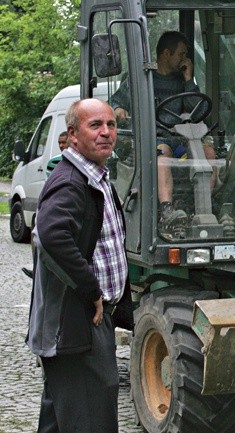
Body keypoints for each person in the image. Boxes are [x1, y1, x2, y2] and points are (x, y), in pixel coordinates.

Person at [26, 98, 133, 433]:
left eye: (111, 125)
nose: (106, 133)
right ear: (72, 135)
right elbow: (51, 235)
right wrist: (92, 291)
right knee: (92, 419)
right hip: (79, 321)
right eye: (95, 126)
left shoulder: (93, 175)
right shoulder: (72, 181)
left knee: (61, 418)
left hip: (84, 320)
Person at [110, 31, 215, 232]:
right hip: (153, 139)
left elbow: (199, 111)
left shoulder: (181, 80)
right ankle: (167, 210)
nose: (185, 59)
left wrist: (189, 79)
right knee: (163, 153)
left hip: (181, 139)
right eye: (181, 54)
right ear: (166, 53)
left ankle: (204, 209)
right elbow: (115, 101)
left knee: (208, 153)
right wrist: (118, 110)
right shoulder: (141, 79)